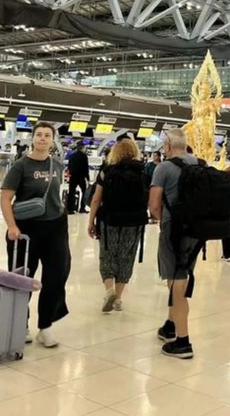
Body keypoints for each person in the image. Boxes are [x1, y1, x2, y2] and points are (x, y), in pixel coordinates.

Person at [0, 122, 70, 346]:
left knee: (56, 276)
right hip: (26, 230)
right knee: (23, 277)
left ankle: (46, 325)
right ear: (32, 139)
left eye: (47, 135)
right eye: (38, 135)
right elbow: (5, 198)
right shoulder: (21, 166)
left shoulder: (57, 164)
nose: (42, 139)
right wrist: (12, 227)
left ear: (52, 140)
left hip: (55, 227)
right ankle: (21, 322)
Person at [150, 129, 203, 359]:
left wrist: (165, 220)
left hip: (174, 230)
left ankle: (183, 341)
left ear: (169, 146)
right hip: (197, 230)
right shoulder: (199, 163)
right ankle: (170, 325)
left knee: (177, 283)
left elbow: (153, 206)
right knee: (181, 275)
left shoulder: (163, 167)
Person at [87, 139, 148, 313]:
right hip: (134, 222)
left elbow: (96, 198)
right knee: (126, 256)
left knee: (108, 254)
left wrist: (91, 221)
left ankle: (109, 291)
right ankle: (118, 298)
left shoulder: (107, 170)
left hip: (110, 219)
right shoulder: (142, 171)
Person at [68, 142, 90, 214]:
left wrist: (71, 173)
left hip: (73, 176)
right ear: (82, 148)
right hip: (81, 177)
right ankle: (82, 208)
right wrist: (87, 177)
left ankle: (70, 209)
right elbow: (86, 168)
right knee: (84, 192)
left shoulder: (72, 156)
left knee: (71, 192)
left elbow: (69, 166)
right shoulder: (84, 156)